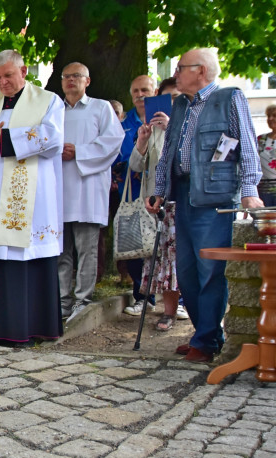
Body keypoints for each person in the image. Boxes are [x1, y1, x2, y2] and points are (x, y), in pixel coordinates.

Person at [147, 47, 264, 362]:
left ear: (200, 70)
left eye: (180, 68)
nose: (175, 76)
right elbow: (169, 151)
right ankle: (207, 335)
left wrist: (250, 189)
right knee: (185, 273)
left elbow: (248, 146)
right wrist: (160, 190)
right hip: (182, 195)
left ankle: (205, 341)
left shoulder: (229, 98)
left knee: (210, 271)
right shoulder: (181, 105)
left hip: (215, 199)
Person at [0, 49, 66, 344]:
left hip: (30, 199)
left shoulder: (48, 101)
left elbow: (53, 137)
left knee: (25, 255)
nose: (3, 82)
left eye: (8, 75)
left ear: (24, 71)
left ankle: (29, 328)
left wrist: (4, 139)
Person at [57, 63, 125, 323]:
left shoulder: (101, 107)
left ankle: (82, 300)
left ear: (88, 81)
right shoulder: (54, 110)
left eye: (76, 76)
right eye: (66, 77)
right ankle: (62, 301)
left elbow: (112, 142)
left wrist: (80, 152)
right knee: (60, 251)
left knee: (86, 249)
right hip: (59, 188)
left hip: (87, 188)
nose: (71, 80)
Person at [129, 79, 187, 331]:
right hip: (158, 204)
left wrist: (174, 127)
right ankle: (169, 312)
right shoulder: (152, 129)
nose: (171, 104)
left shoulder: (187, 126)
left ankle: (190, 308)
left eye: (176, 98)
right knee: (163, 259)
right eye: (166, 99)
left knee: (183, 258)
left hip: (184, 200)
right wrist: (142, 142)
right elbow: (134, 166)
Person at [117, 75, 159, 310]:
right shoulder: (124, 122)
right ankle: (141, 297)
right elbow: (118, 155)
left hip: (158, 191)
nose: (140, 95)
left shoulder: (165, 118)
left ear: (154, 91)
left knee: (161, 246)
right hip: (132, 192)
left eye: (145, 90)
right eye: (135, 91)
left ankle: (173, 298)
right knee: (135, 247)